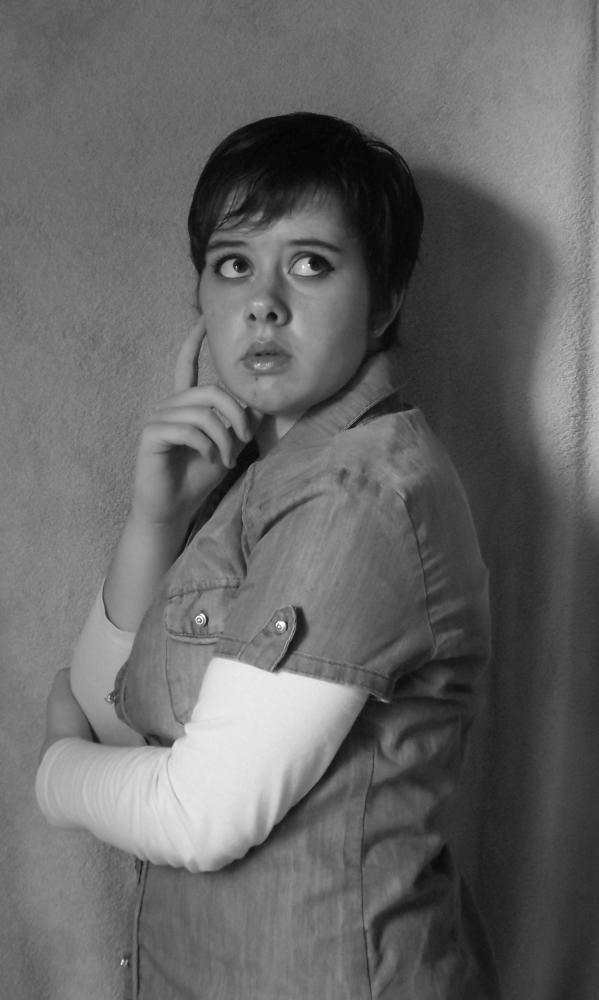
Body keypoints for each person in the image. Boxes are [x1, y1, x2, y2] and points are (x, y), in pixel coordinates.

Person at [36, 112, 500, 999]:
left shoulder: (359, 494)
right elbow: (117, 719)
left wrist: (55, 773)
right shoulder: (265, 483)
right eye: (233, 263)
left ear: (385, 301)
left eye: (311, 264)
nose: (263, 301)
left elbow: (201, 813)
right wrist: (158, 517)